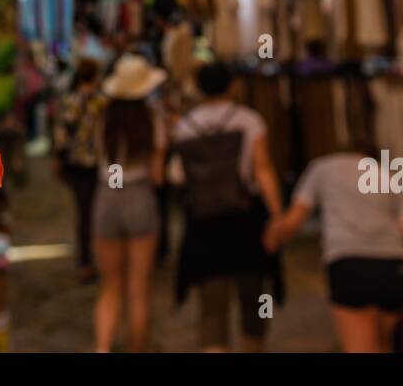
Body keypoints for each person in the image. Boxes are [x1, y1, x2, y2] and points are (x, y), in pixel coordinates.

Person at [265, 143, 403, 353]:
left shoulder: (322, 167)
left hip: (348, 264)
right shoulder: (386, 175)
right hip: (393, 269)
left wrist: (274, 230)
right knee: (383, 346)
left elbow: (293, 223)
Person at [172, 62, 284, 352]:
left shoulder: (185, 126)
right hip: (245, 218)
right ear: (232, 86)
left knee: (212, 306)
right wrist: (277, 214)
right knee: (255, 299)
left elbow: (178, 176)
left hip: (204, 223)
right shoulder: (249, 120)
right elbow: (262, 168)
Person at [92, 54, 167, 352]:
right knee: (138, 290)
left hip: (107, 195)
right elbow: (158, 175)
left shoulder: (102, 120)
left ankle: (103, 347)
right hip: (139, 196)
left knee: (110, 287)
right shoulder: (153, 119)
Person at [53, 57, 104, 282]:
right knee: (98, 213)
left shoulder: (69, 101)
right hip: (100, 166)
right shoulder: (102, 103)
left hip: (75, 166)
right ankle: (100, 258)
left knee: (84, 213)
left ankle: (85, 263)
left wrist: (59, 160)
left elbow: (62, 136)